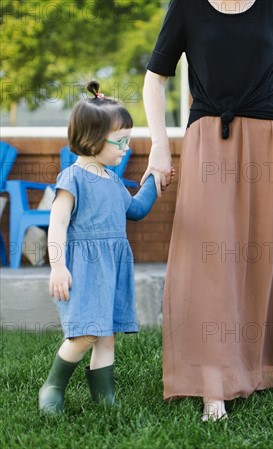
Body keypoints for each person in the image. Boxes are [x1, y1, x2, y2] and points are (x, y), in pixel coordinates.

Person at [142, 0, 273, 421]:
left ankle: (257, 368)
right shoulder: (187, 6)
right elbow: (154, 80)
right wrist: (159, 145)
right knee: (209, 262)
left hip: (268, 139)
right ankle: (213, 385)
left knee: (260, 257)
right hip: (209, 138)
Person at [39, 81, 162, 414]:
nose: (125, 148)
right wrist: (58, 265)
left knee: (106, 336)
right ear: (92, 140)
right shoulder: (73, 178)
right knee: (86, 334)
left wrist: (153, 178)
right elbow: (58, 225)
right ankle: (53, 384)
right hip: (84, 269)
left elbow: (135, 210)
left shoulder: (113, 180)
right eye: (120, 141)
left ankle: (104, 398)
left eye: (128, 141)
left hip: (113, 267)